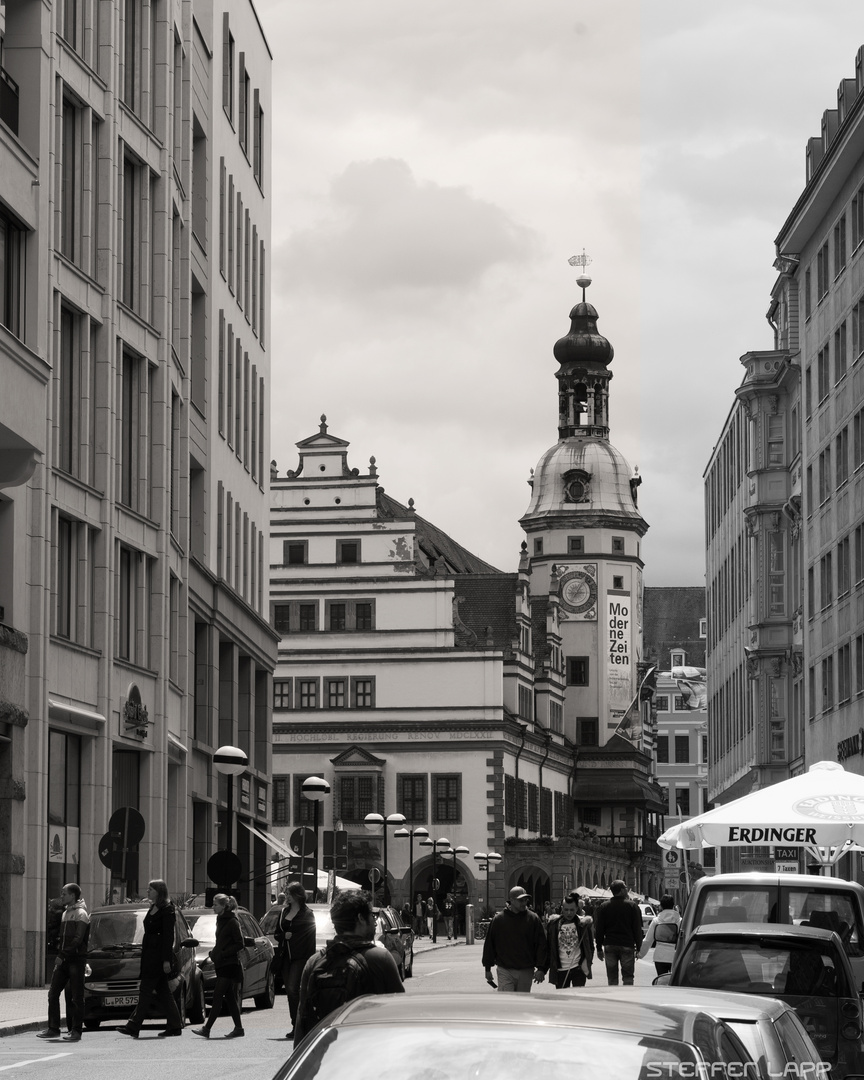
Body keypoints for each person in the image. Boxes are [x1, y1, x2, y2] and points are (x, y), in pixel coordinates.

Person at [293, 889, 403, 1043]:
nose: (375, 921)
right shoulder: (381, 958)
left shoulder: (315, 962)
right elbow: (400, 1016)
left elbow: (302, 1022)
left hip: (328, 1056)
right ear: (360, 918)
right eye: (372, 915)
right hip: (368, 1055)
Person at [118, 879, 184, 1038]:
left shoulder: (167, 910)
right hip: (149, 955)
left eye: (151, 889)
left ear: (159, 891)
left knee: (145, 991)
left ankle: (133, 1025)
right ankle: (175, 1026)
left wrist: (166, 960)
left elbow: (168, 937)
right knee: (164, 992)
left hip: (158, 957)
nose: (147, 892)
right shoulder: (153, 907)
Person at [37, 883, 90, 1042]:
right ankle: (53, 1028)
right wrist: (61, 953)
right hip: (64, 959)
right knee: (53, 993)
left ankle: (76, 1031)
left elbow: (78, 939)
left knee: (76, 996)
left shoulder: (81, 914)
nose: (62, 896)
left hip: (75, 960)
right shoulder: (66, 913)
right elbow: (64, 938)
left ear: (73, 895)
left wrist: (62, 954)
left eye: (64, 894)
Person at [191, 894, 246, 1039]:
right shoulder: (220, 920)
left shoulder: (232, 921)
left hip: (230, 964)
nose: (213, 907)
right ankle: (239, 1028)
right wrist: (214, 953)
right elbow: (221, 941)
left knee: (217, 996)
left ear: (223, 906)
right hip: (222, 964)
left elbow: (239, 943)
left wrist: (222, 953)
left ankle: (207, 1029)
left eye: (215, 904)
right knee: (230, 998)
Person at [481, 885, 547, 992]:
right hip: (505, 969)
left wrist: (541, 968)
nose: (524, 903)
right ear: (511, 900)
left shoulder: (533, 919)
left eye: (526, 900)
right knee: (507, 1003)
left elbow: (541, 944)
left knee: (522, 1004)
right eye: (521, 900)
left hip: (526, 969)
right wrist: (487, 968)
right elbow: (490, 944)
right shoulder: (499, 919)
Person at [274, 880, 317, 1040]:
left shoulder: (307, 913)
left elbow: (310, 938)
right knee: (291, 993)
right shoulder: (284, 913)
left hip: (300, 957)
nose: (287, 896)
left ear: (298, 895)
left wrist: (311, 960)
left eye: (290, 893)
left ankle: (302, 1023)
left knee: (293, 989)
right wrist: (283, 936)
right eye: (286, 893)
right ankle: (296, 1025)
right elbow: (277, 933)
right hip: (285, 956)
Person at [594, 879, 643, 986]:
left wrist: (598, 948)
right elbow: (637, 928)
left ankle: (614, 998)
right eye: (625, 887)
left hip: (610, 945)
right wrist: (639, 947)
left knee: (612, 978)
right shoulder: (632, 906)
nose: (627, 889)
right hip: (627, 945)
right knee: (628, 977)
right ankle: (626, 998)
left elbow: (599, 929)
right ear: (621, 890)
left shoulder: (604, 906)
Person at [544, 891, 594, 988]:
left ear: (577, 909)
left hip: (578, 968)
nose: (569, 913)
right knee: (562, 1001)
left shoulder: (583, 924)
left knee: (578, 999)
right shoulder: (554, 924)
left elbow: (590, 946)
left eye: (572, 910)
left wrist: (588, 961)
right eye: (566, 910)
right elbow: (549, 947)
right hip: (560, 970)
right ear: (562, 909)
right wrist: (544, 968)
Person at [638, 894, 681, 977]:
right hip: (675, 956)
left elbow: (648, 940)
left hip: (660, 956)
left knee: (661, 981)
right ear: (673, 905)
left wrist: (640, 954)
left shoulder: (656, 921)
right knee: (675, 983)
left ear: (661, 906)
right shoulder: (680, 921)